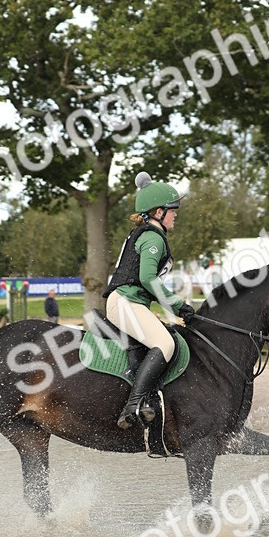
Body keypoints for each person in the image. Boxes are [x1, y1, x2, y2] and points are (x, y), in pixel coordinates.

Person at [103, 172, 195, 428]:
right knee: (165, 344)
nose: (176, 214)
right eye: (172, 210)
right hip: (125, 303)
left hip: (129, 303)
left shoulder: (144, 234)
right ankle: (133, 405)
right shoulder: (153, 237)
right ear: (158, 212)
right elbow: (147, 279)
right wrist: (179, 306)